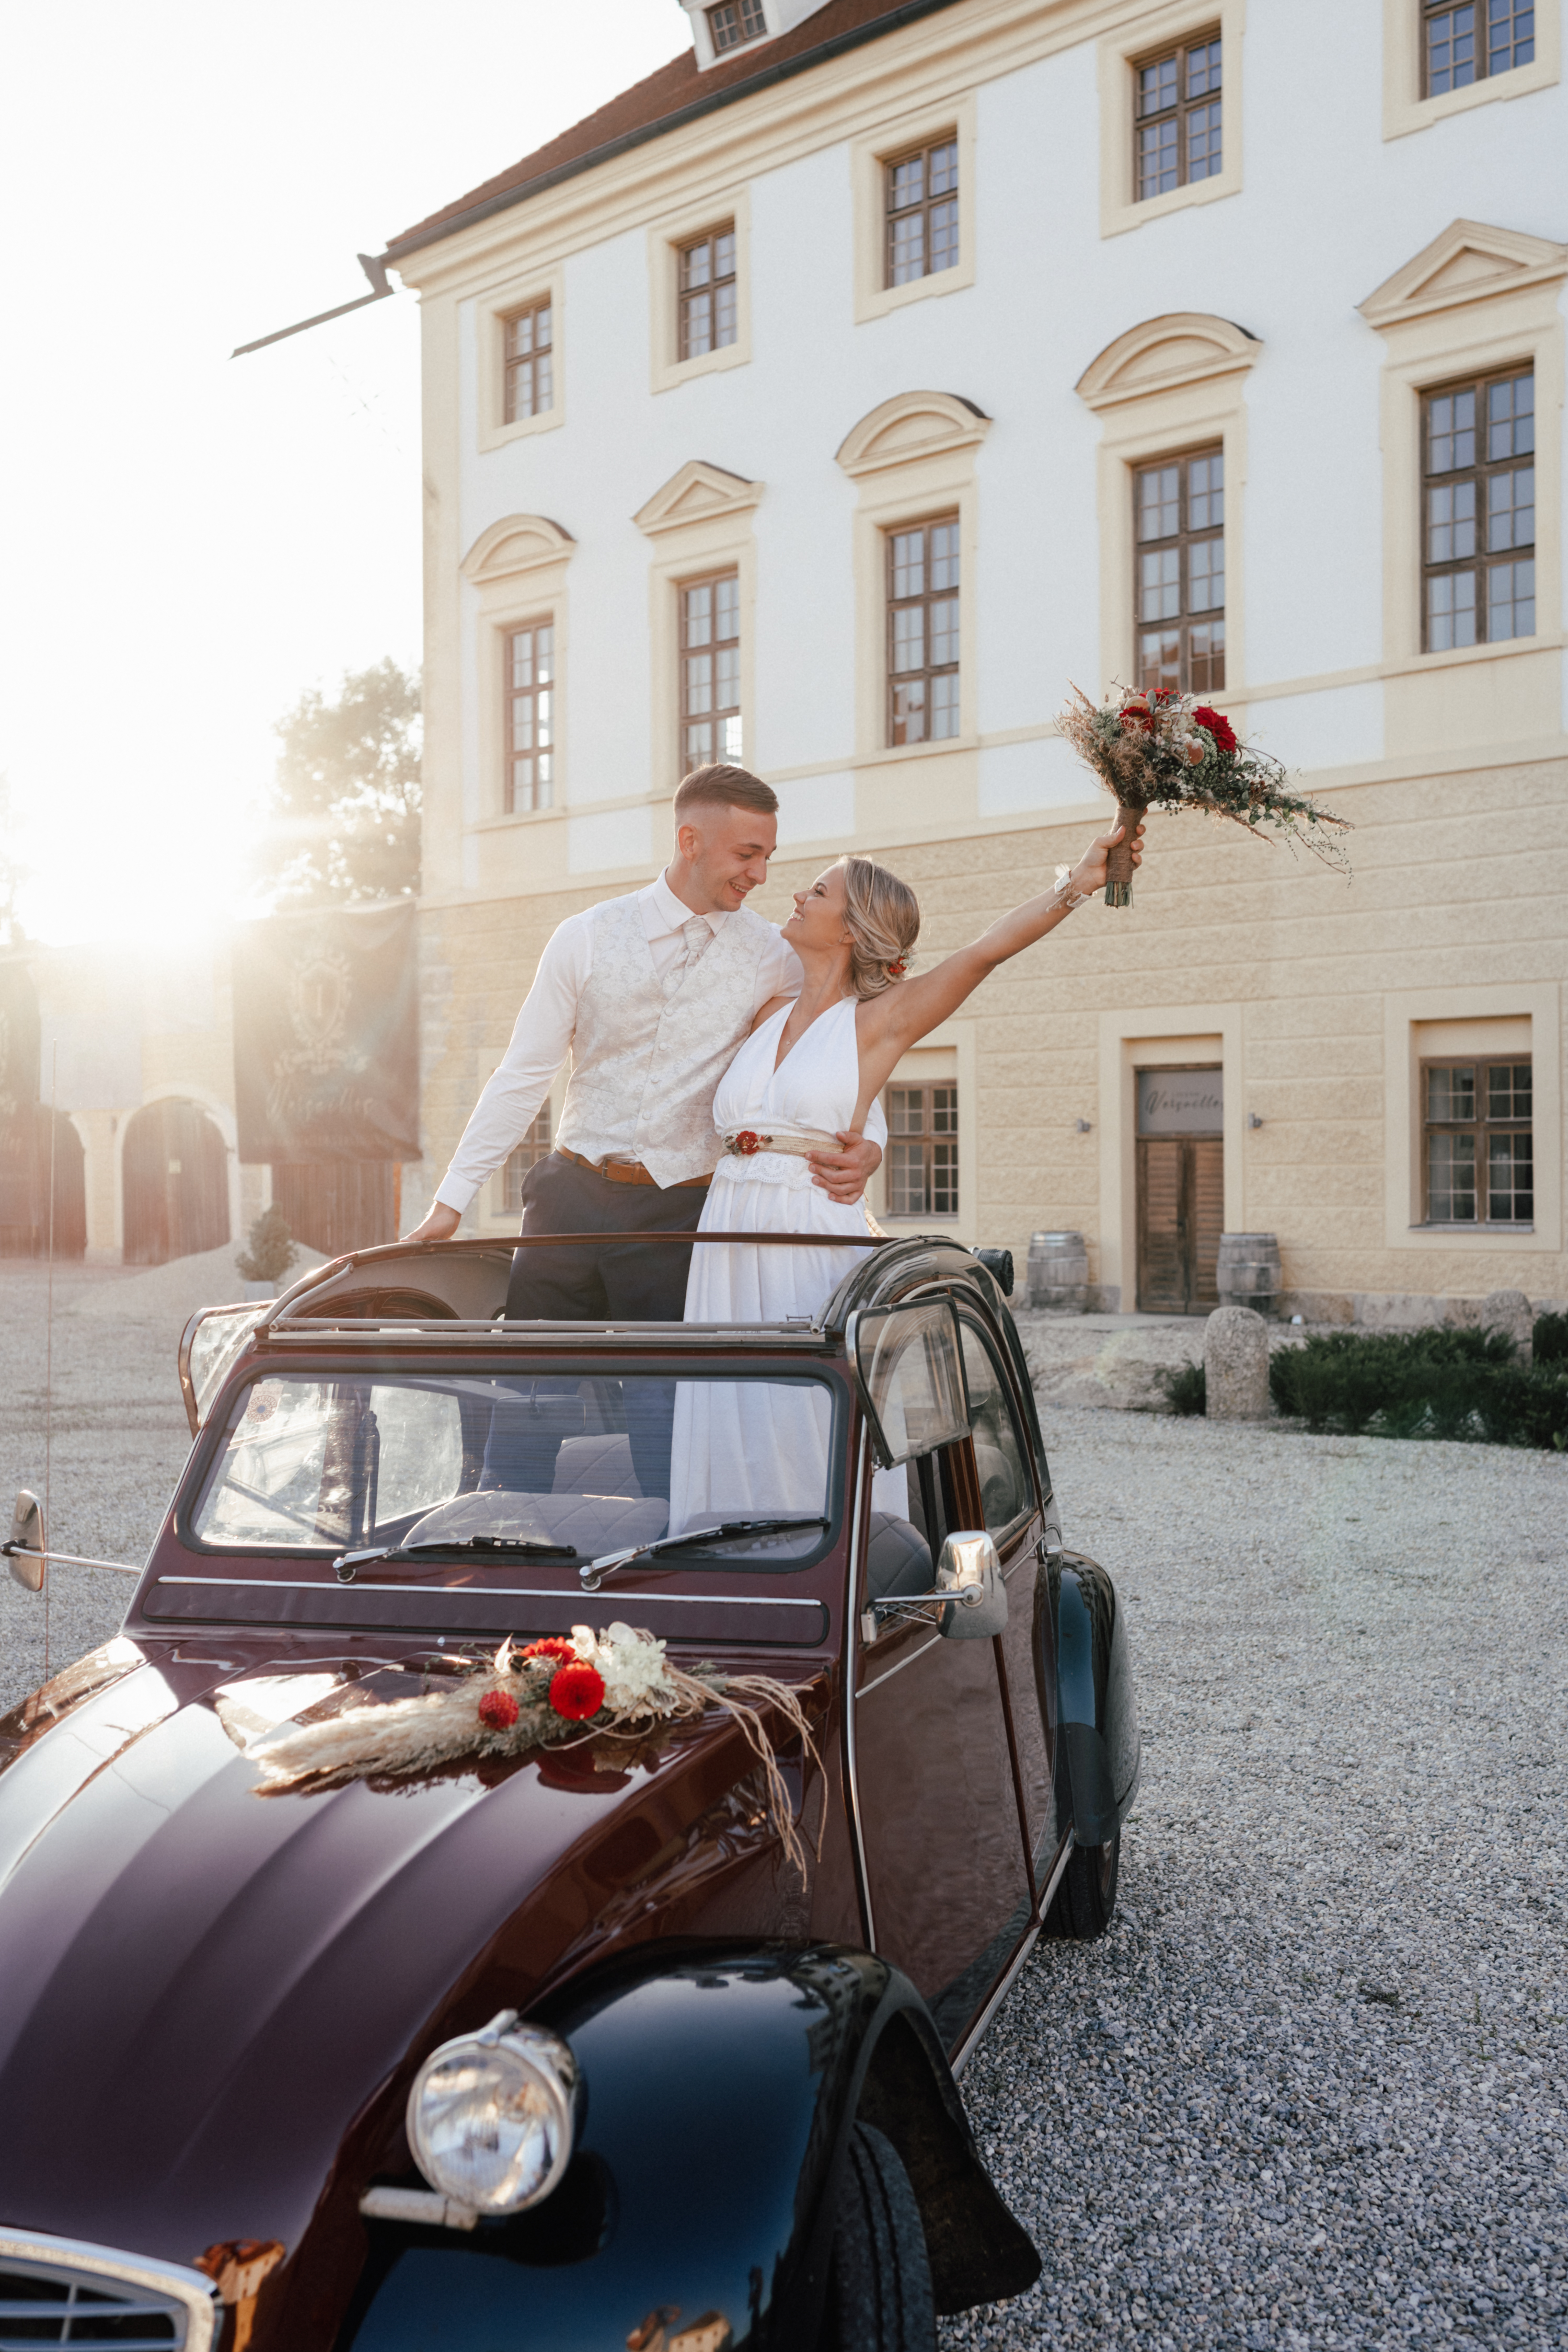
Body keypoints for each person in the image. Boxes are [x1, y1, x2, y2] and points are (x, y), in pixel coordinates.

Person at [666, 822, 1141, 1529]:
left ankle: (828, 1564)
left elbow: (982, 955)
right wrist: (877, 1143)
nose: (797, 892)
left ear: (853, 928)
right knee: (725, 1402)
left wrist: (1078, 881)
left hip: (810, 1233)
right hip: (728, 1232)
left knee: (803, 1408)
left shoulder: (880, 1022)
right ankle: (716, 1557)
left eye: (818, 890)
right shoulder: (764, 1012)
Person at [406, 763, 882, 1314]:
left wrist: (871, 1139)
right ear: (690, 842)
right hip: (569, 1203)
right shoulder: (583, 936)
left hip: (683, 1216)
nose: (761, 875)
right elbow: (522, 1075)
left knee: (659, 1394)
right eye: (747, 854)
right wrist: (452, 1201)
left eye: (767, 857)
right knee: (532, 1387)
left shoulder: (777, 956)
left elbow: (840, 1044)